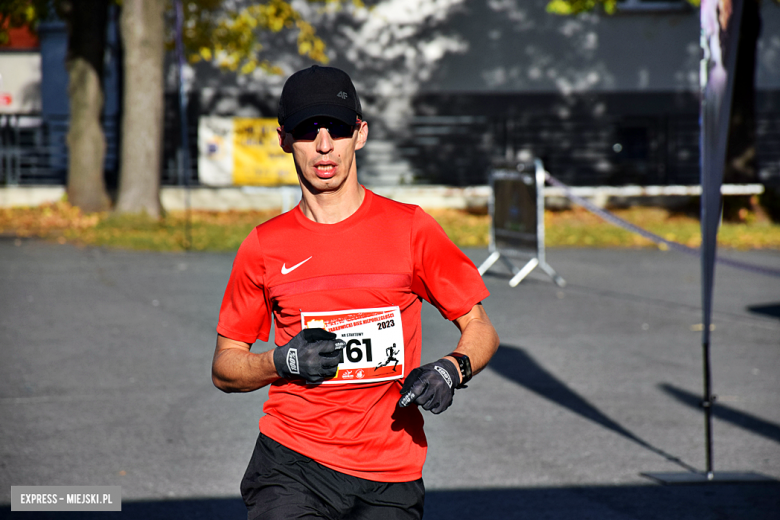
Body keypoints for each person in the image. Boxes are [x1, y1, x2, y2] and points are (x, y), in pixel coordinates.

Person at [211, 65, 500, 520]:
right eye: (308, 130)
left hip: (390, 472)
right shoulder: (264, 245)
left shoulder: (410, 229)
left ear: (360, 134)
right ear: (284, 140)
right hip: (291, 463)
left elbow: (480, 326)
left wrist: (452, 369)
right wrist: (280, 360)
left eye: (338, 128)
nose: (324, 145)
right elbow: (225, 366)